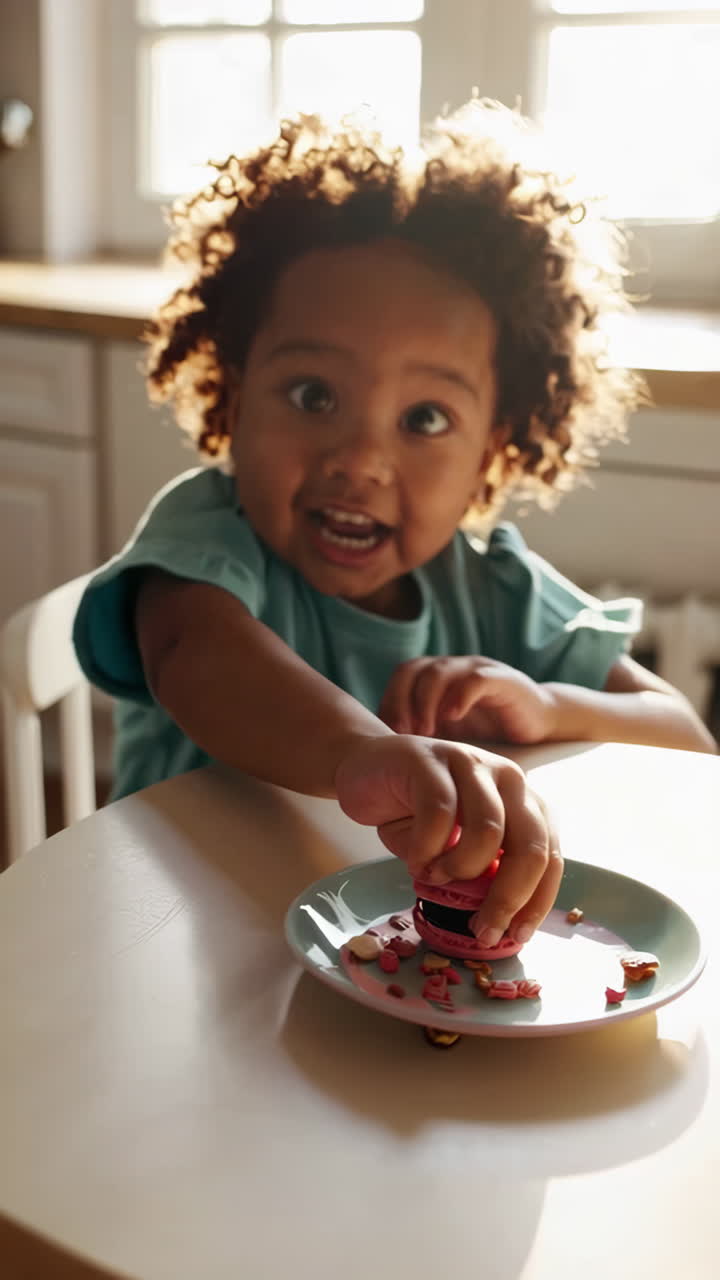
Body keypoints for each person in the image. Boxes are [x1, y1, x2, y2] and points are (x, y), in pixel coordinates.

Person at [73, 102, 715, 953]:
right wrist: (360, 754)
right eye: (314, 397)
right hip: (180, 950)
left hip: (399, 976)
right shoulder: (208, 537)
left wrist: (550, 705)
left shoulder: (492, 583)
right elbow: (199, 661)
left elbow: (688, 738)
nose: (361, 459)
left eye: (424, 418)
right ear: (233, 391)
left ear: (495, 445)